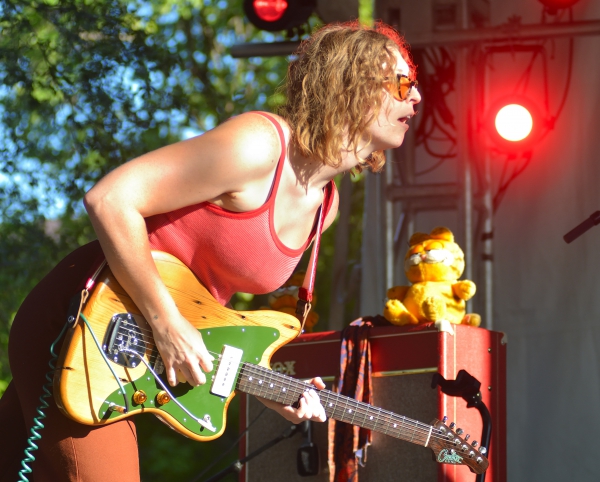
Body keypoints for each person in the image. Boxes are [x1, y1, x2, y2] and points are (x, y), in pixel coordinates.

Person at [0, 19, 420, 481]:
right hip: (79, 316)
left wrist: (272, 393)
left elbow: (214, 319)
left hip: (129, 355)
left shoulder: (327, 208)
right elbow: (111, 199)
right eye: (403, 85)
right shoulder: (258, 146)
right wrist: (166, 323)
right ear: (351, 86)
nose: (415, 98)